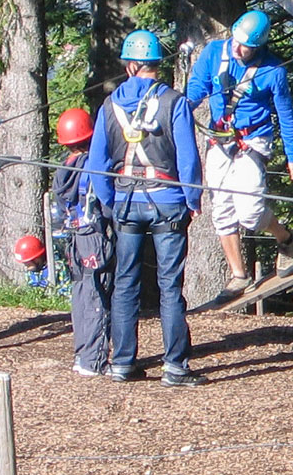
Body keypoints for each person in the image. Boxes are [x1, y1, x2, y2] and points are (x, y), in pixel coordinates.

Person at [86, 30, 207, 387]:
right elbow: (188, 158)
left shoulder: (109, 106)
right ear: (155, 64)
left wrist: (110, 202)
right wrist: (192, 200)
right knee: (170, 285)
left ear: (130, 65)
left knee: (125, 282)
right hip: (168, 202)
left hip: (125, 202)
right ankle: (175, 366)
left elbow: (97, 164)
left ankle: (123, 362)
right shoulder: (174, 102)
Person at [186, 10, 293, 301]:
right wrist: (182, 107)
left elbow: (285, 115)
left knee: (250, 212)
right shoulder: (214, 52)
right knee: (222, 209)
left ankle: (285, 238)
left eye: (246, 46)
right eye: (236, 42)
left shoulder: (273, 70)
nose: (238, 49)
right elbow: (198, 87)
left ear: (259, 46)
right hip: (219, 139)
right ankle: (238, 275)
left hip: (253, 140)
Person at [52, 108, 114, 378]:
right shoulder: (91, 167)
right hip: (94, 237)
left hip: (74, 239)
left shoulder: (63, 170)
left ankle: (82, 354)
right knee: (97, 294)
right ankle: (94, 360)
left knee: (80, 294)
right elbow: (105, 204)